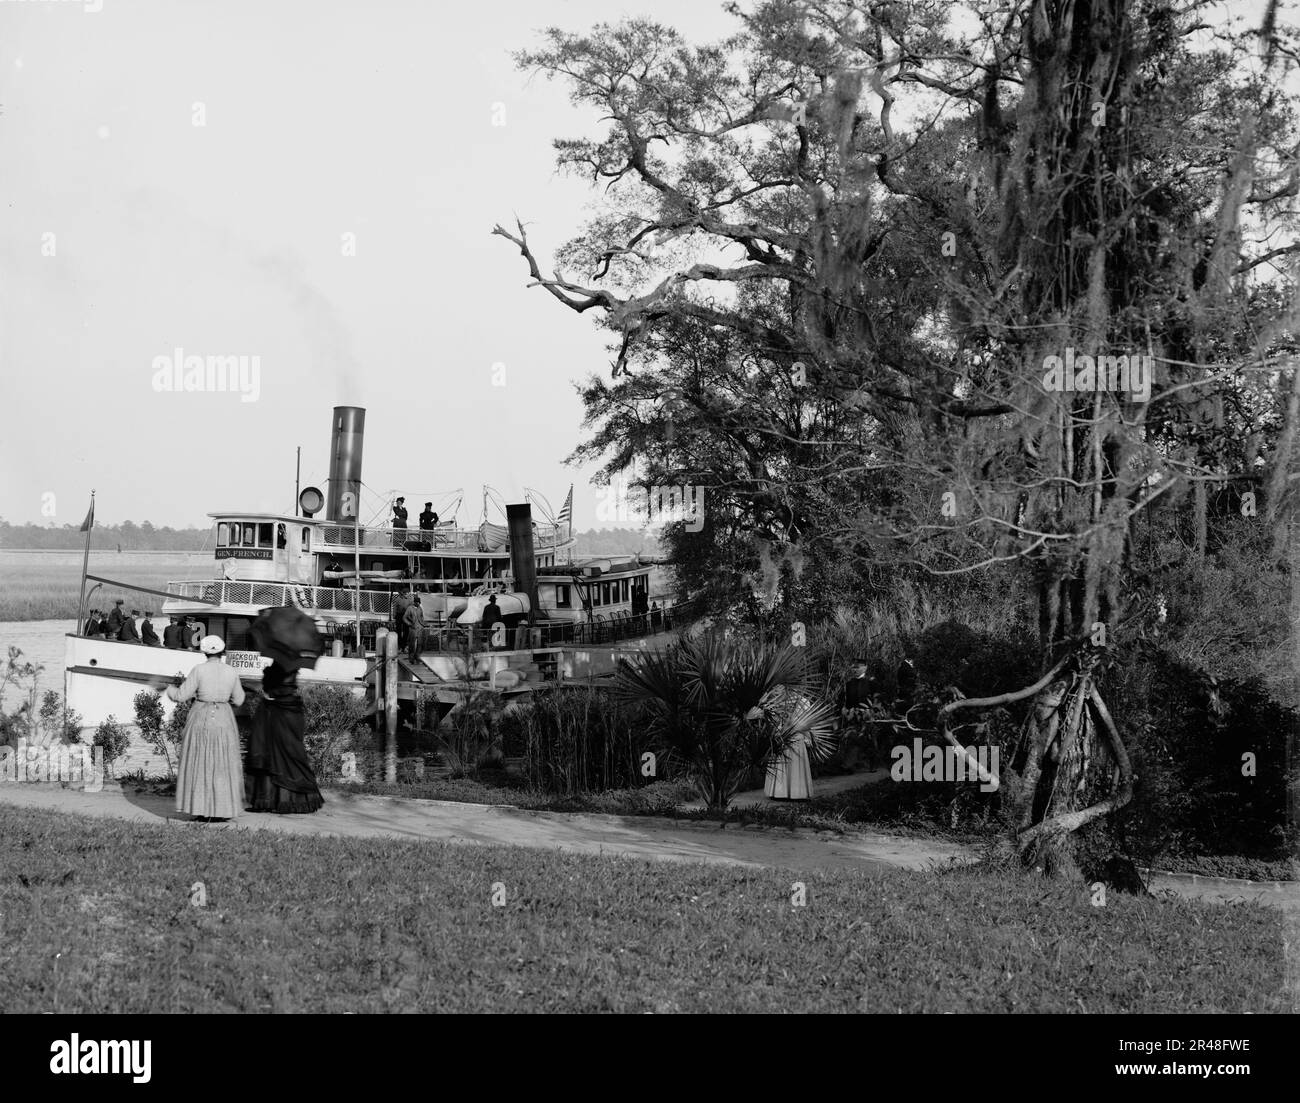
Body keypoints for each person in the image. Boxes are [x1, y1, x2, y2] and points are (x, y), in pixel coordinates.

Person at [163, 634, 245, 821]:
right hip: (224, 718)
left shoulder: (199, 670)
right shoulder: (231, 671)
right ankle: (222, 810)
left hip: (201, 717)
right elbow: (239, 699)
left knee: (200, 762)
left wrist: (168, 689)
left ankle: (201, 808)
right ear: (223, 652)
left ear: (205, 652)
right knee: (223, 763)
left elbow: (181, 696)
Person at [246, 659, 324, 815]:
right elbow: (288, 690)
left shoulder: (275, 669)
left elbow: (269, 689)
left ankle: (267, 799)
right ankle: (291, 800)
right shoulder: (292, 669)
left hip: (275, 712)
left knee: (269, 754)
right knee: (291, 753)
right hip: (291, 711)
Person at [404, 596, 427, 662]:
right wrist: (409, 624)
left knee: (420, 643)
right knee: (412, 644)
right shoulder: (409, 608)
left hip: (420, 627)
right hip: (413, 628)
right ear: (414, 602)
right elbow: (404, 618)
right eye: (417, 602)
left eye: (419, 603)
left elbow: (421, 617)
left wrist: (423, 624)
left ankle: (417, 656)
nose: (418, 604)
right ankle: (411, 657)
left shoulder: (420, 608)